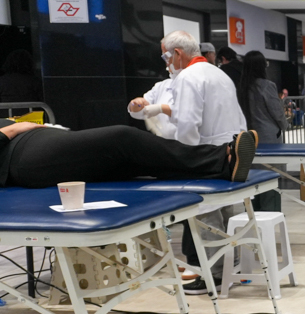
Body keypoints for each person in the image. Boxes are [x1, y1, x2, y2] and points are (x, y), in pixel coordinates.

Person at [144, 31, 247, 295]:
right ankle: (233, 268)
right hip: (229, 150)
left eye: (166, 57)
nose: (166, 63)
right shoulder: (218, 73)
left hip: (205, 154)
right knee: (227, 211)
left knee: (206, 216)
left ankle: (215, 275)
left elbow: (189, 123)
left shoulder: (188, 77)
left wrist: (184, 158)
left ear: (177, 53)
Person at [0, 119, 257, 188]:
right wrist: (12, 129)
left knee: (136, 160)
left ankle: (223, 168)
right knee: (122, 137)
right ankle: (221, 156)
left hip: (33, 144)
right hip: (21, 156)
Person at [239, 51, 286, 212]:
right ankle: (270, 213)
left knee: (253, 179)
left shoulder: (242, 88)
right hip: (268, 138)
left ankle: (254, 214)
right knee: (271, 177)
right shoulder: (267, 86)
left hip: (248, 139)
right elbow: (277, 112)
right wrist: (284, 125)